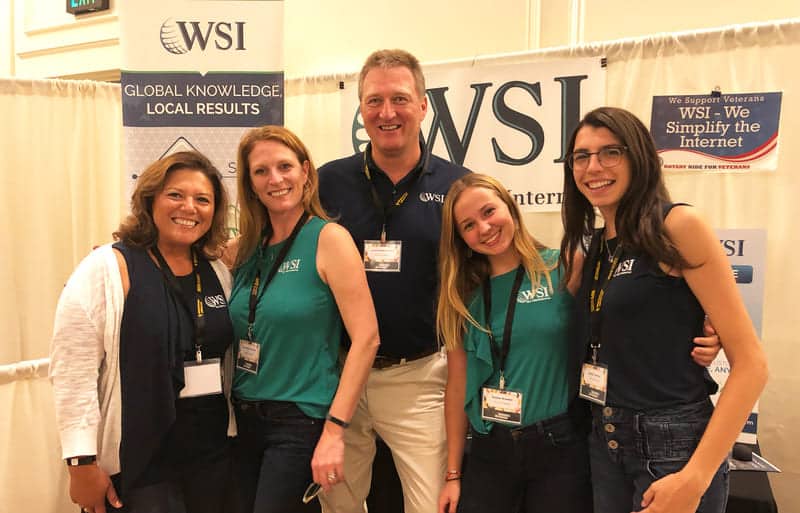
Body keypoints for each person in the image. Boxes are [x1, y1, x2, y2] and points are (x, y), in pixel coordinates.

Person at [560, 106, 768, 513]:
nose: (593, 167)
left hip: (673, 443)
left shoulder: (677, 226)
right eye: (581, 156)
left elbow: (752, 365)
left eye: (610, 152)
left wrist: (696, 476)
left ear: (638, 157)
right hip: (605, 438)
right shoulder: (593, 247)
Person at [316, 49, 470, 513]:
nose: (387, 113)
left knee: (431, 506)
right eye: (374, 101)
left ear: (424, 106)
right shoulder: (326, 183)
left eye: (400, 99)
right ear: (361, 110)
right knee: (337, 502)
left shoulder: (459, 186)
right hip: (341, 375)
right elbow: (276, 245)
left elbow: (497, 263)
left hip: (419, 377)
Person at [50, 151, 236, 513]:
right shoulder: (107, 267)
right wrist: (80, 461)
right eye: (176, 195)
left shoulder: (219, 272)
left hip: (212, 459)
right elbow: (73, 369)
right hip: (142, 465)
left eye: (203, 199)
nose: (189, 207)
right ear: (150, 199)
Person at [224, 125, 379, 513]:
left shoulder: (329, 239)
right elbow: (181, 248)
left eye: (285, 166)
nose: (275, 179)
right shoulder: (244, 249)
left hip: (300, 420)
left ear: (305, 171)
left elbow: (367, 339)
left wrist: (334, 430)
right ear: (250, 183)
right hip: (243, 417)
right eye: (261, 171)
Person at [436, 173, 593, 513]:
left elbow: (619, 320)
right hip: (490, 450)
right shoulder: (463, 297)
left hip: (557, 446)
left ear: (510, 206)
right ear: (460, 238)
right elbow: (457, 385)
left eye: (489, 212)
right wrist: (452, 475)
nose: (484, 228)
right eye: (468, 225)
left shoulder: (562, 265)